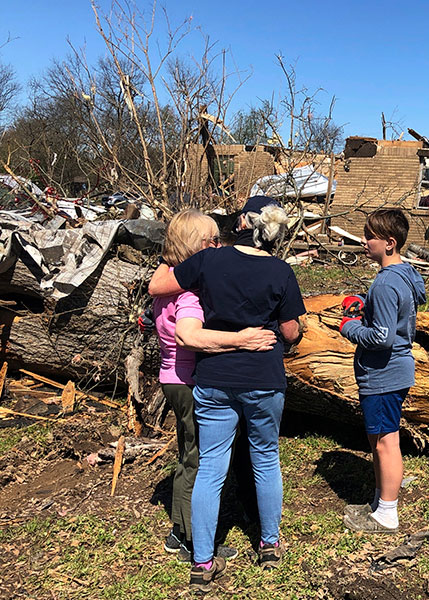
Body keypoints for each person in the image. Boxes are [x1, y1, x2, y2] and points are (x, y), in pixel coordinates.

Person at [148, 196, 306, 594]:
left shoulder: (207, 262)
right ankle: (269, 545)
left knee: (212, 467)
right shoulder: (281, 271)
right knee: (266, 458)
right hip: (264, 378)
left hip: (214, 377)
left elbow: (160, 284)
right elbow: (289, 332)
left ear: (240, 224)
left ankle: (202, 561)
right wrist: (295, 329)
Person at [153, 209, 276, 564]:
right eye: (212, 242)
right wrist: (241, 339)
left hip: (169, 377)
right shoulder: (189, 296)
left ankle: (179, 530)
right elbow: (191, 336)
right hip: (190, 380)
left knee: (187, 453)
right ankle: (194, 539)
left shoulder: (168, 287)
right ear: (200, 247)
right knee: (199, 460)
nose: (219, 246)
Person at [339, 209, 426, 533]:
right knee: (378, 439)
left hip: (384, 372)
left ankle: (387, 514)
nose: (364, 241)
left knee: (386, 442)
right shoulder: (404, 273)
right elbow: (391, 313)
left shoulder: (387, 283)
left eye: (370, 236)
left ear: (389, 243)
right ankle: (379, 503)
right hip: (390, 371)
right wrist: (364, 302)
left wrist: (350, 327)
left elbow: (381, 337)